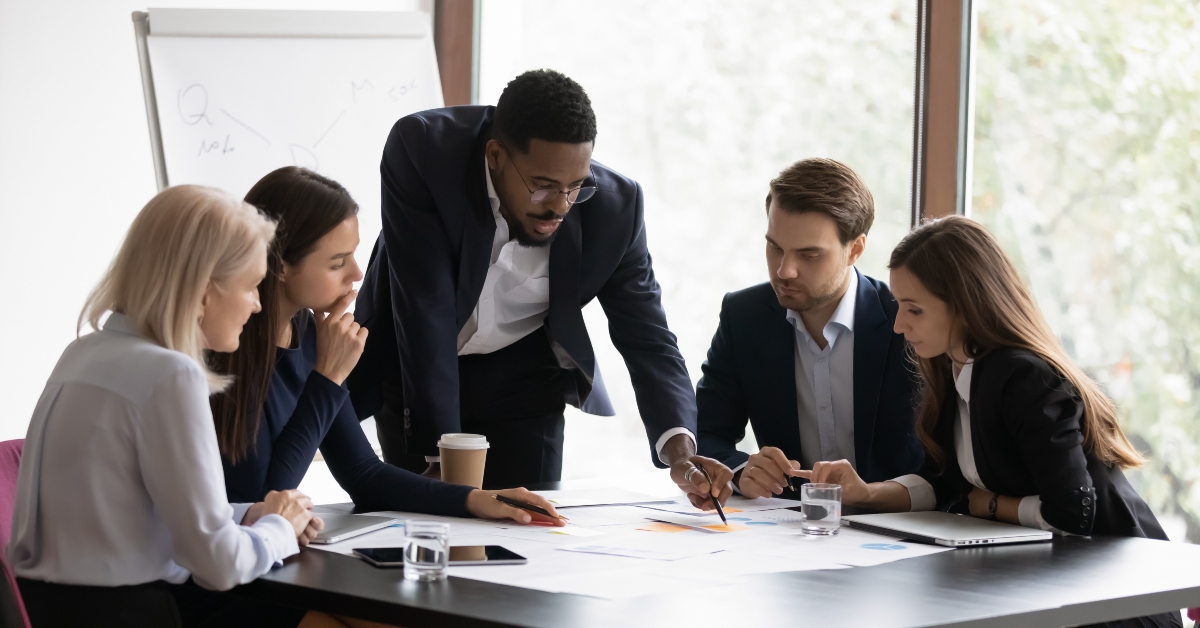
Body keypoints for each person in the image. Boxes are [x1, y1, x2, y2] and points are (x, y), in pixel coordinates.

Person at [349, 69, 732, 506]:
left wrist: (681, 453)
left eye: (575, 187)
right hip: (418, 368)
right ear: (495, 156)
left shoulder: (615, 208)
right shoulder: (424, 151)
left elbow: (648, 335)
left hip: (524, 380)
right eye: (543, 187)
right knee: (424, 526)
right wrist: (441, 456)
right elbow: (426, 307)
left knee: (530, 529)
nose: (560, 206)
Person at [798, 216, 1180, 628]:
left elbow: (1073, 512)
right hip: (1055, 585)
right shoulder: (956, 371)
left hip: (1116, 603)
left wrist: (993, 505)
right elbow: (943, 483)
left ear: (964, 306)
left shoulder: (1023, 377)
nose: (898, 325)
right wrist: (868, 494)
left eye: (914, 310)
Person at [7, 185, 323, 627]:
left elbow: (135, 513)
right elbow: (219, 564)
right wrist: (280, 529)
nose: (257, 303)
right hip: (135, 614)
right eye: (252, 286)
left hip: (55, 609)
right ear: (203, 292)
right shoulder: (171, 375)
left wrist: (248, 514)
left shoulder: (83, 354)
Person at [211, 166, 566, 526]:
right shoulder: (224, 346)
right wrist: (329, 377)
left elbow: (362, 473)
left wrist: (475, 499)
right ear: (280, 264)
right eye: (337, 263)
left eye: (353, 255)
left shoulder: (310, 333)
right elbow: (261, 501)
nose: (356, 274)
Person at [696, 158, 923, 499]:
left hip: (895, 525)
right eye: (775, 247)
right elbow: (705, 431)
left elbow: (942, 461)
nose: (785, 270)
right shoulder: (744, 316)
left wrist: (873, 495)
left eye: (809, 255)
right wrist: (743, 471)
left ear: (855, 250)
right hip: (787, 529)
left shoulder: (906, 320)